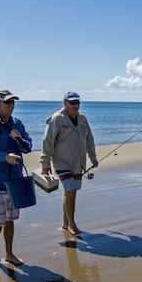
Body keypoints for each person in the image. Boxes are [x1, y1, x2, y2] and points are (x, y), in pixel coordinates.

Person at [0, 89, 32, 265]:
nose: (11, 105)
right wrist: (4, 157)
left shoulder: (17, 124)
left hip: (15, 180)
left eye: (13, 102)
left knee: (10, 219)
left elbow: (28, 147)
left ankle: (9, 253)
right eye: (7, 102)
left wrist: (19, 140)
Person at [41, 91, 98, 235]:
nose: (75, 105)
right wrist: (45, 163)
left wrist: (93, 157)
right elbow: (48, 141)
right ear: (65, 103)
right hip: (62, 163)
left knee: (71, 193)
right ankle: (72, 224)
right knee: (70, 191)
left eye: (77, 102)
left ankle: (65, 223)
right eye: (72, 102)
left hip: (78, 163)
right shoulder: (56, 119)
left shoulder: (83, 120)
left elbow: (89, 140)